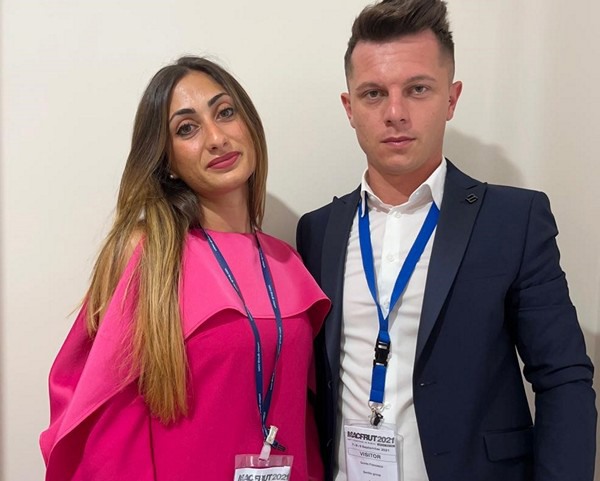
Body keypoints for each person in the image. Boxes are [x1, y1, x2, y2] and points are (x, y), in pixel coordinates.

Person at [296, 1, 596, 480]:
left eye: (417, 89)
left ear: (451, 99)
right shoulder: (317, 231)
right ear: (350, 108)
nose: (395, 113)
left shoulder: (513, 221)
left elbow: (563, 377)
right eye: (374, 94)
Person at [40, 56, 330, 481]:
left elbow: (302, 415)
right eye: (187, 128)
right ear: (167, 162)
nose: (216, 138)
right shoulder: (149, 255)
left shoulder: (287, 261)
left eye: (225, 113)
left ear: (249, 124)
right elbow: (100, 421)